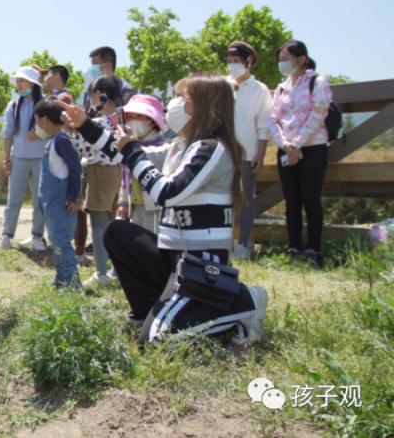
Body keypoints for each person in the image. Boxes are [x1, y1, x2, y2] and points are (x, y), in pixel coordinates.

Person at [61, 75, 268, 346]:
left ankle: (243, 302)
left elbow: (167, 193)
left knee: (158, 341)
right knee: (117, 232)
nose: (175, 105)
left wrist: (133, 152)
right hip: (173, 260)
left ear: (206, 106)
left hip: (201, 265)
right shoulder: (180, 147)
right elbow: (121, 153)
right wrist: (84, 125)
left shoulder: (213, 149)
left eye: (184, 99)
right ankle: (146, 310)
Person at [267, 40, 332, 264]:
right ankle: (294, 247)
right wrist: (286, 145)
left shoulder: (317, 82)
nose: (282, 63)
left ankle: (314, 249)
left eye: (286, 59)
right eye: (280, 59)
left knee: (311, 199)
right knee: (291, 200)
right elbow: (272, 120)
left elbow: (318, 114)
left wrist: (296, 144)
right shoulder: (281, 87)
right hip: (286, 150)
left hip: (313, 148)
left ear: (301, 60)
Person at [71, 76, 123, 286]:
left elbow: (82, 148)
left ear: (99, 94)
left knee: (99, 225)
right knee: (111, 224)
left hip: (99, 172)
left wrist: (75, 130)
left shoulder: (98, 123)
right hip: (118, 172)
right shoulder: (120, 119)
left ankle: (101, 273)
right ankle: (114, 270)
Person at [226, 41, 273, 259]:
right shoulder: (224, 85)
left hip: (248, 152)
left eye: (236, 61)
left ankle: (243, 244)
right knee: (224, 197)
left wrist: (260, 154)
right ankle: (224, 241)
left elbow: (264, 124)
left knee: (246, 198)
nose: (232, 65)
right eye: (229, 61)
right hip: (223, 153)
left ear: (249, 61)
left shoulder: (259, 90)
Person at [0, 66, 48, 251]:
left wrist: (39, 133)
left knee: (39, 201)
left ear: (32, 84)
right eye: (18, 81)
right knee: (13, 200)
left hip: (41, 159)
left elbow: (54, 129)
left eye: (21, 81)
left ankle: (37, 237)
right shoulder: (14, 105)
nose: (18, 84)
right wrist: (6, 158)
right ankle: (6, 236)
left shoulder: (45, 104)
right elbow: (8, 133)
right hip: (18, 158)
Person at [33, 98, 82, 288]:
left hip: (61, 201)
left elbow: (75, 168)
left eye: (36, 121)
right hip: (50, 203)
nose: (36, 125)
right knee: (55, 240)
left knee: (61, 241)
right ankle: (61, 277)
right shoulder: (50, 141)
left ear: (44, 120)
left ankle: (71, 280)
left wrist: (72, 195)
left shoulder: (61, 140)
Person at [120, 94, 167, 234]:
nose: (132, 121)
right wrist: (122, 202)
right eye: (129, 116)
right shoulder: (130, 146)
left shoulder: (162, 149)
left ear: (152, 121)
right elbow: (124, 177)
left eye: (138, 116)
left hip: (155, 208)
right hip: (134, 205)